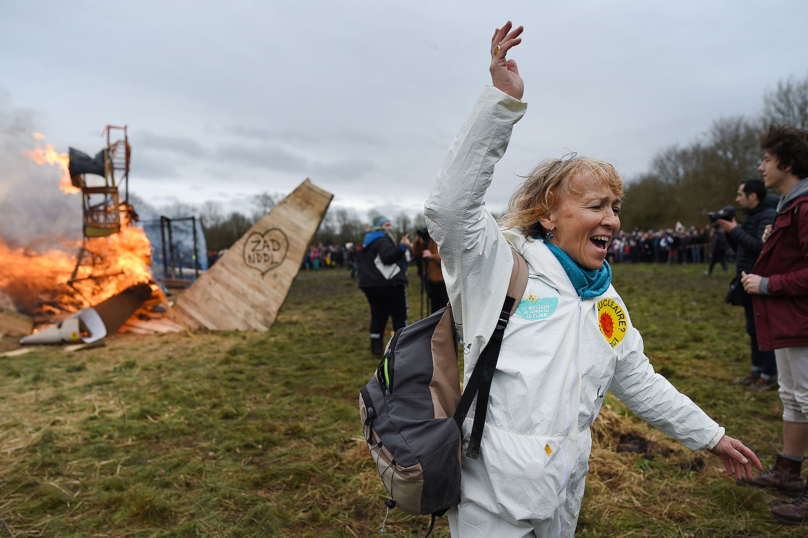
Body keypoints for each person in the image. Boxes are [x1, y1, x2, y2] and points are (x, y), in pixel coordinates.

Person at [424, 22, 761, 537]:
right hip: (488, 500)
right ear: (548, 216)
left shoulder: (605, 300)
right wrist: (500, 104)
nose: (612, 219)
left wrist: (710, 436)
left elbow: (639, 381)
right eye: (596, 205)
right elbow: (450, 211)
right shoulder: (501, 269)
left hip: (563, 495)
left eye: (616, 207)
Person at [740, 125, 808, 524]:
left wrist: (766, 284)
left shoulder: (804, 206)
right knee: (794, 398)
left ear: (786, 161)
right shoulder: (790, 205)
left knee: (805, 398)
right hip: (790, 321)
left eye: (767, 158)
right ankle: (788, 470)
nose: (761, 166)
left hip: (800, 320)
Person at [716, 180, 778, 391]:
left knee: (764, 329)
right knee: (753, 328)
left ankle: (769, 374)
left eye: (740, 194)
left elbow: (761, 247)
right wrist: (730, 232)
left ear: (753, 196)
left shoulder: (767, 214)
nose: (737, 198)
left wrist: (735, 230)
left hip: (760, 280)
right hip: (747, 279)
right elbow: (741, 246)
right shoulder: (751, 215)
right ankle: (756, 370)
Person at [358, 216, 411, 357]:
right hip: (390, 285)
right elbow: (388, 257)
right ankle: (401, 349)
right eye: (387, 225)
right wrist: (402, 247)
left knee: (378, 317)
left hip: (371, 286)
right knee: (399, 316)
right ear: (379, 227)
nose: (390, 228)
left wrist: (364, 286)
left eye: (390, 224)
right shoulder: (382, 239)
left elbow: (363, 265)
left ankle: (376, 348)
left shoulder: (368, 242)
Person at [412, 229, 449, 316]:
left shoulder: (443, 237)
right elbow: (417, 252)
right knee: (435, 308)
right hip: (430, 279)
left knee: (446, 308)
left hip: (444, 280)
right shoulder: (427, 238)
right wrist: (418, 240)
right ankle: (435, 327)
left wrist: (432, 256)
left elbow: (447, 259)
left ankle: (448, 327)